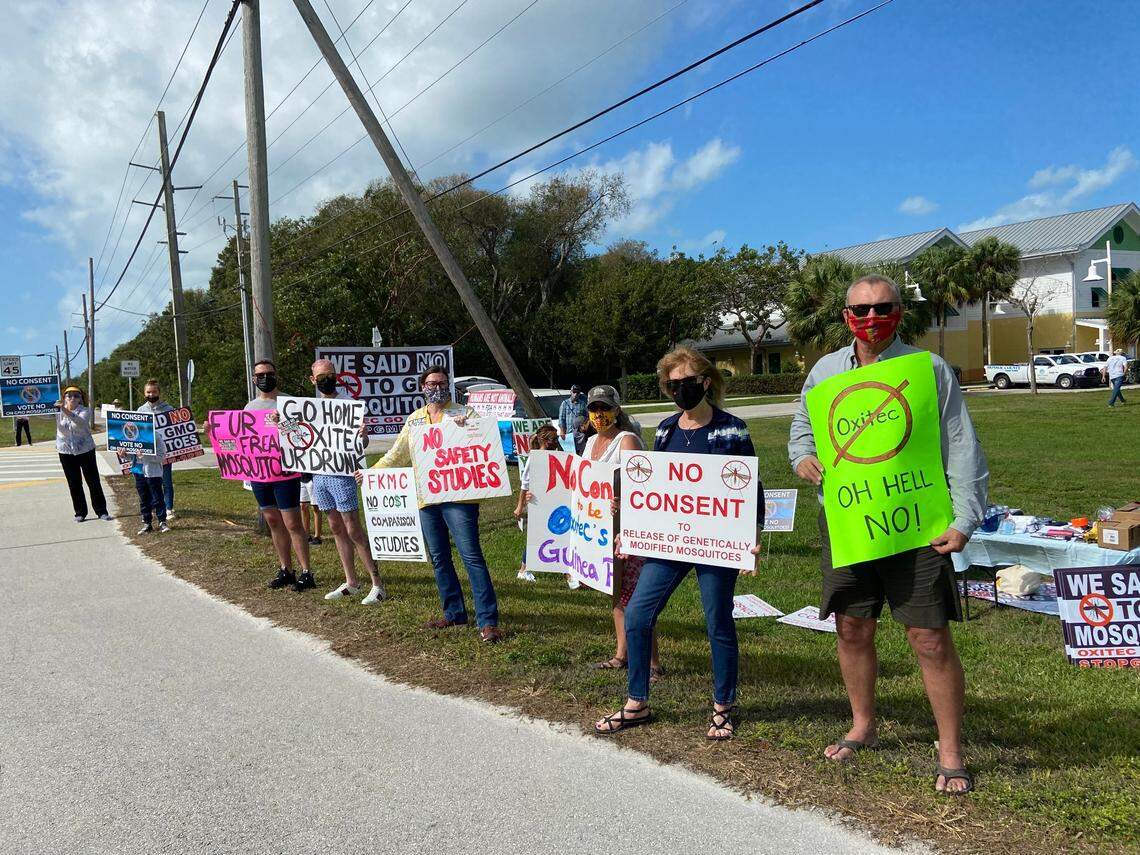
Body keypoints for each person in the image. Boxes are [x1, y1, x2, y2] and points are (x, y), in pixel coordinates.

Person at [787, 274, 988, 795]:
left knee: (928, 635)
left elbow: (961, 443)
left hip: (916, 524)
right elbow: (803, 424)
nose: (871, 319)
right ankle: (863, 726)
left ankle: (950, 751)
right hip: (850, 523)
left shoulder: (927, 370)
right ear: (845, 316)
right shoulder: (826, 371)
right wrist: (803, 455)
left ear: (899, 312)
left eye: (883, 309)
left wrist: (964, 519)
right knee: (852, 628)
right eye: (861, 310)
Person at [595, 349, 762, 740]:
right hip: (669, 542)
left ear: (705, 382)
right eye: (672, 384)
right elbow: (656, 485)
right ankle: (637, 701)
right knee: (637, 613)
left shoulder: (732, 428)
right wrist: (630, 516)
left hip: (715, 542)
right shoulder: (667, 429)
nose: (679, 390)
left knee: (717, 620)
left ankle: (723, 705)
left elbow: (751, 488)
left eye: (686, 382)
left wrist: (751, 540)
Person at [360, 363, 503, 643]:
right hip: (427, 498)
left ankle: (488, 621)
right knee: (439, 559)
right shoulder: (414, 420)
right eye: (431, 384)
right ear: (422, 387)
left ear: (448, 386)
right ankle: (454, 613)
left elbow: (485, 439)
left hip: (460, 498)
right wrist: (371, 472)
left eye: (441, 383)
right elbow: (397, 454)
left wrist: (468, 429)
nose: (437, 388)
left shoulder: (464, 413)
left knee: (471, 557)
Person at [579, 385, 663, 680]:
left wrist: (622, 502)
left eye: (605, 407)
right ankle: (621, 655)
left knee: (636, 596)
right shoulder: (589, 443)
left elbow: (642, 486)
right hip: (601, 527)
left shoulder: (627, 441)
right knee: (617, 594)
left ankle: (653, 663)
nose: (599, 414)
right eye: (594, 408)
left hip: (629, 528)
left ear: (617, 409)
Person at [307, 359, 388, 606]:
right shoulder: (308, 407)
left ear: (337, 376)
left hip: (343, 474)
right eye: (321, 376)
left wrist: (363, 437)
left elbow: (360, 446)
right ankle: (351, 581)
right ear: (313, 380)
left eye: (329, 375)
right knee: (335, 527)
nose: (326, 380)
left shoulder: (348, 405)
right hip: (320, 474)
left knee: (352, 527)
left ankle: (377, 584)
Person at [241, 360, 317, 592]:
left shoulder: (289, 402)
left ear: (276, 375)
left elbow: (302, 436)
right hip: (260, 474)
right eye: (260, 375)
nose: (265, 378)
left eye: (269, 373)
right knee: (273, 521)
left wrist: (283, 423)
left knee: (292, 522)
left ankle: (306, 572)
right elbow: (241, 441)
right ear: (254, 379)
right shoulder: (249, 408)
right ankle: (286, 569)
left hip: (286, 472)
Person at [513, 423, 562, 582]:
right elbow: (524, 484)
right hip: (538, 502)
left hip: (553, 501)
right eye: (554, 439)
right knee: (536, 536)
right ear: (546, 442)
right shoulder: (534, 458)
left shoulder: (557, 456)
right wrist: (520, 506)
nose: (557, 442)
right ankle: (524, 569)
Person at [54, 386, 111, 523]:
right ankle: (80, 512)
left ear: (81, 398)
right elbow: (59, 426)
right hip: (66, 451)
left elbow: (80, 423)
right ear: (64, 397)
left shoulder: (85, 411)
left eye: (76, 395)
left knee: (93, 481)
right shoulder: (57, 412)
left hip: (85, 450)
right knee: (74, 483)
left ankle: (101, 511)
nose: (72, 398)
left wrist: (65, 410)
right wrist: (58, 409)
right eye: (69, 395)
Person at [132, 379, 172, 534]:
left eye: (154, 392)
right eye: (148, 392)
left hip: (160, 457)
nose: (151, 394)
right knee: (144, 494)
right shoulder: (140, 410)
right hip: (142, 463)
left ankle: (167, 513)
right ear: (144, 393)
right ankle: (147, 521)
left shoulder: (168, 409)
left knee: (163, 486)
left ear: (159, 392)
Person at [558, 384, 588, 454]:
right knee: (568, 454)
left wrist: (584, 425)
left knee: (578, 454)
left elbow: (587, 417)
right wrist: (562, 431)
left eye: (577, 392)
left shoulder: (583, 404)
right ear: (570, 392)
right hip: (568, 434)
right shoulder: (565, 403)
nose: (575, 394)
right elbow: (561, 418)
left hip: (579, 435)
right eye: (574, 392)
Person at [300, 479, 324, 545]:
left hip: (313, 479)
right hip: (301, 479)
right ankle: (306, 535)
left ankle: (317, 536)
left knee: (315, 508)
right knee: (303, 506)